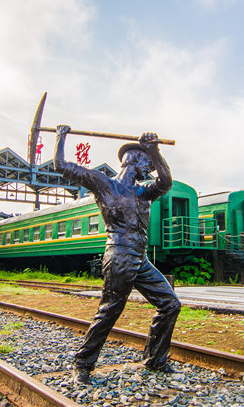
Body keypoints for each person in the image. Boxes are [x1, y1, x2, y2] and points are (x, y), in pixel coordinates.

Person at [54, 124, 181, 385]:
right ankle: (83, 364)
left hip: (140, 258)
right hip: (119, 256)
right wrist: (60, 136)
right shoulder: (104, 185)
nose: (151, 169)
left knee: (170, 304)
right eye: (148, 163)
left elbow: (166, 181)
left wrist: (154, 150)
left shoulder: (144, 192)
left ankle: (156, 360)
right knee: (110, 310)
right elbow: (61, 165)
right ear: (133, 160)